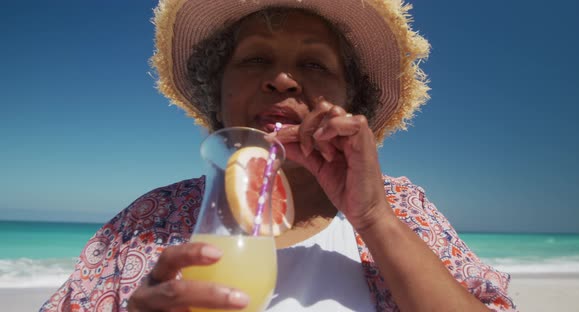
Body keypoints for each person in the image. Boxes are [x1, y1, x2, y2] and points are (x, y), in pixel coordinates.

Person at [41, 0, 517, 311]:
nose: (283, 80)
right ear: (218, 92)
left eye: (313, 64)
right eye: (255, 60)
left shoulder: (400, 208)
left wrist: (373, 217)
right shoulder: (149, 220)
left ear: (350, 101)